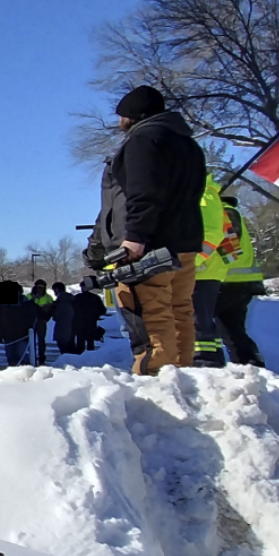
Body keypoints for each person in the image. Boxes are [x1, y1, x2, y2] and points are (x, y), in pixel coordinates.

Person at [96, 85, 207, 375]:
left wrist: (135, 238)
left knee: (151, 312)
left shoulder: (144, 140)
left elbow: (144, 193)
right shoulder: (188, 144)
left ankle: (156, 375)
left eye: (122, 115)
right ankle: (183, 373)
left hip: (151, 245)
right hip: (185, 241)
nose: (119, 121)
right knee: (180, 310)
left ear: (132, 116)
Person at [216, 195, 265, 367]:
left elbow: (229, 249)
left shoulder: (223, 211)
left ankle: (212, 365)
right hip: (241, 280)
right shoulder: (229, 211)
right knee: (233, 330)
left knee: (202, 325)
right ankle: (250, 365)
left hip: (228, 280)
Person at [191, 175, 230, 367]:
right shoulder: (203, 192)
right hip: (205, 270)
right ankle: (214, 362)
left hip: (201, 271)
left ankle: (204, 364)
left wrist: (190, 261)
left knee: (197, 323)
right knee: (203, 323)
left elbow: (212, 232)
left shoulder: (203, 193)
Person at [73, 282, 107, 350]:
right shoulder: (95, 297)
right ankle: (90, 356)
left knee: (80, 342)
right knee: (90, 342)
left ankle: (80, 357)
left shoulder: (77, 298)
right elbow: (102, 310)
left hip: (80, 323)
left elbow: (71, 309)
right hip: (91, 323)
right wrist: (95, 314)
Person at [28, 281, 54, 364]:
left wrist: (46, 316)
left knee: (41, 340)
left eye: (42, 287)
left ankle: (41, 357)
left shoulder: (48, 297)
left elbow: (51, 309)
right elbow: (25, 307)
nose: (40, 289)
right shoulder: (29, 296)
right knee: (29, 340)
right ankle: (31, 355)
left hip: (41, 320)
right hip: (31, 321)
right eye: (38, 287)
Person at [50, 282, 78, 356]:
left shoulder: (61, 302)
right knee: (70, 348)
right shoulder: (70, 300)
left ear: (57, 290)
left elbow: (56, 316)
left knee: (64, 349)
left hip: (62, 328)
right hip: (70, 328)